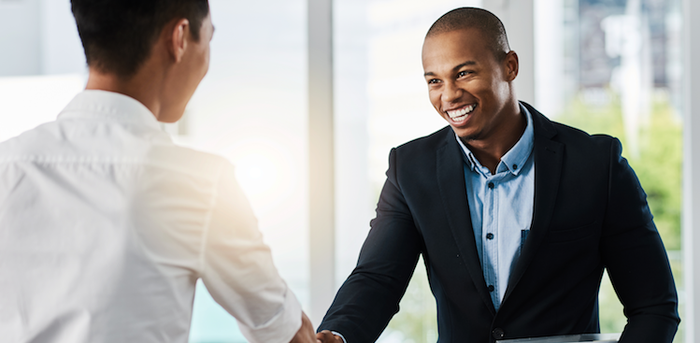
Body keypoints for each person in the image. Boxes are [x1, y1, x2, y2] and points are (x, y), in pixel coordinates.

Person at [316, 7, 679, 343]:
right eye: (434, 81)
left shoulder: (596, 164)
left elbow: (654, 306)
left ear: (510, 66)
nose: (449, 95)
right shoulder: (410, 169)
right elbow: (377, 279)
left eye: (464, 73)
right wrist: (338, 335)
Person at [0, 1, 317, 343]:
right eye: (208, 40)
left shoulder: (7, 164)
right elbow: (284, 332)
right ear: (179, 38)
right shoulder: (199, 184)